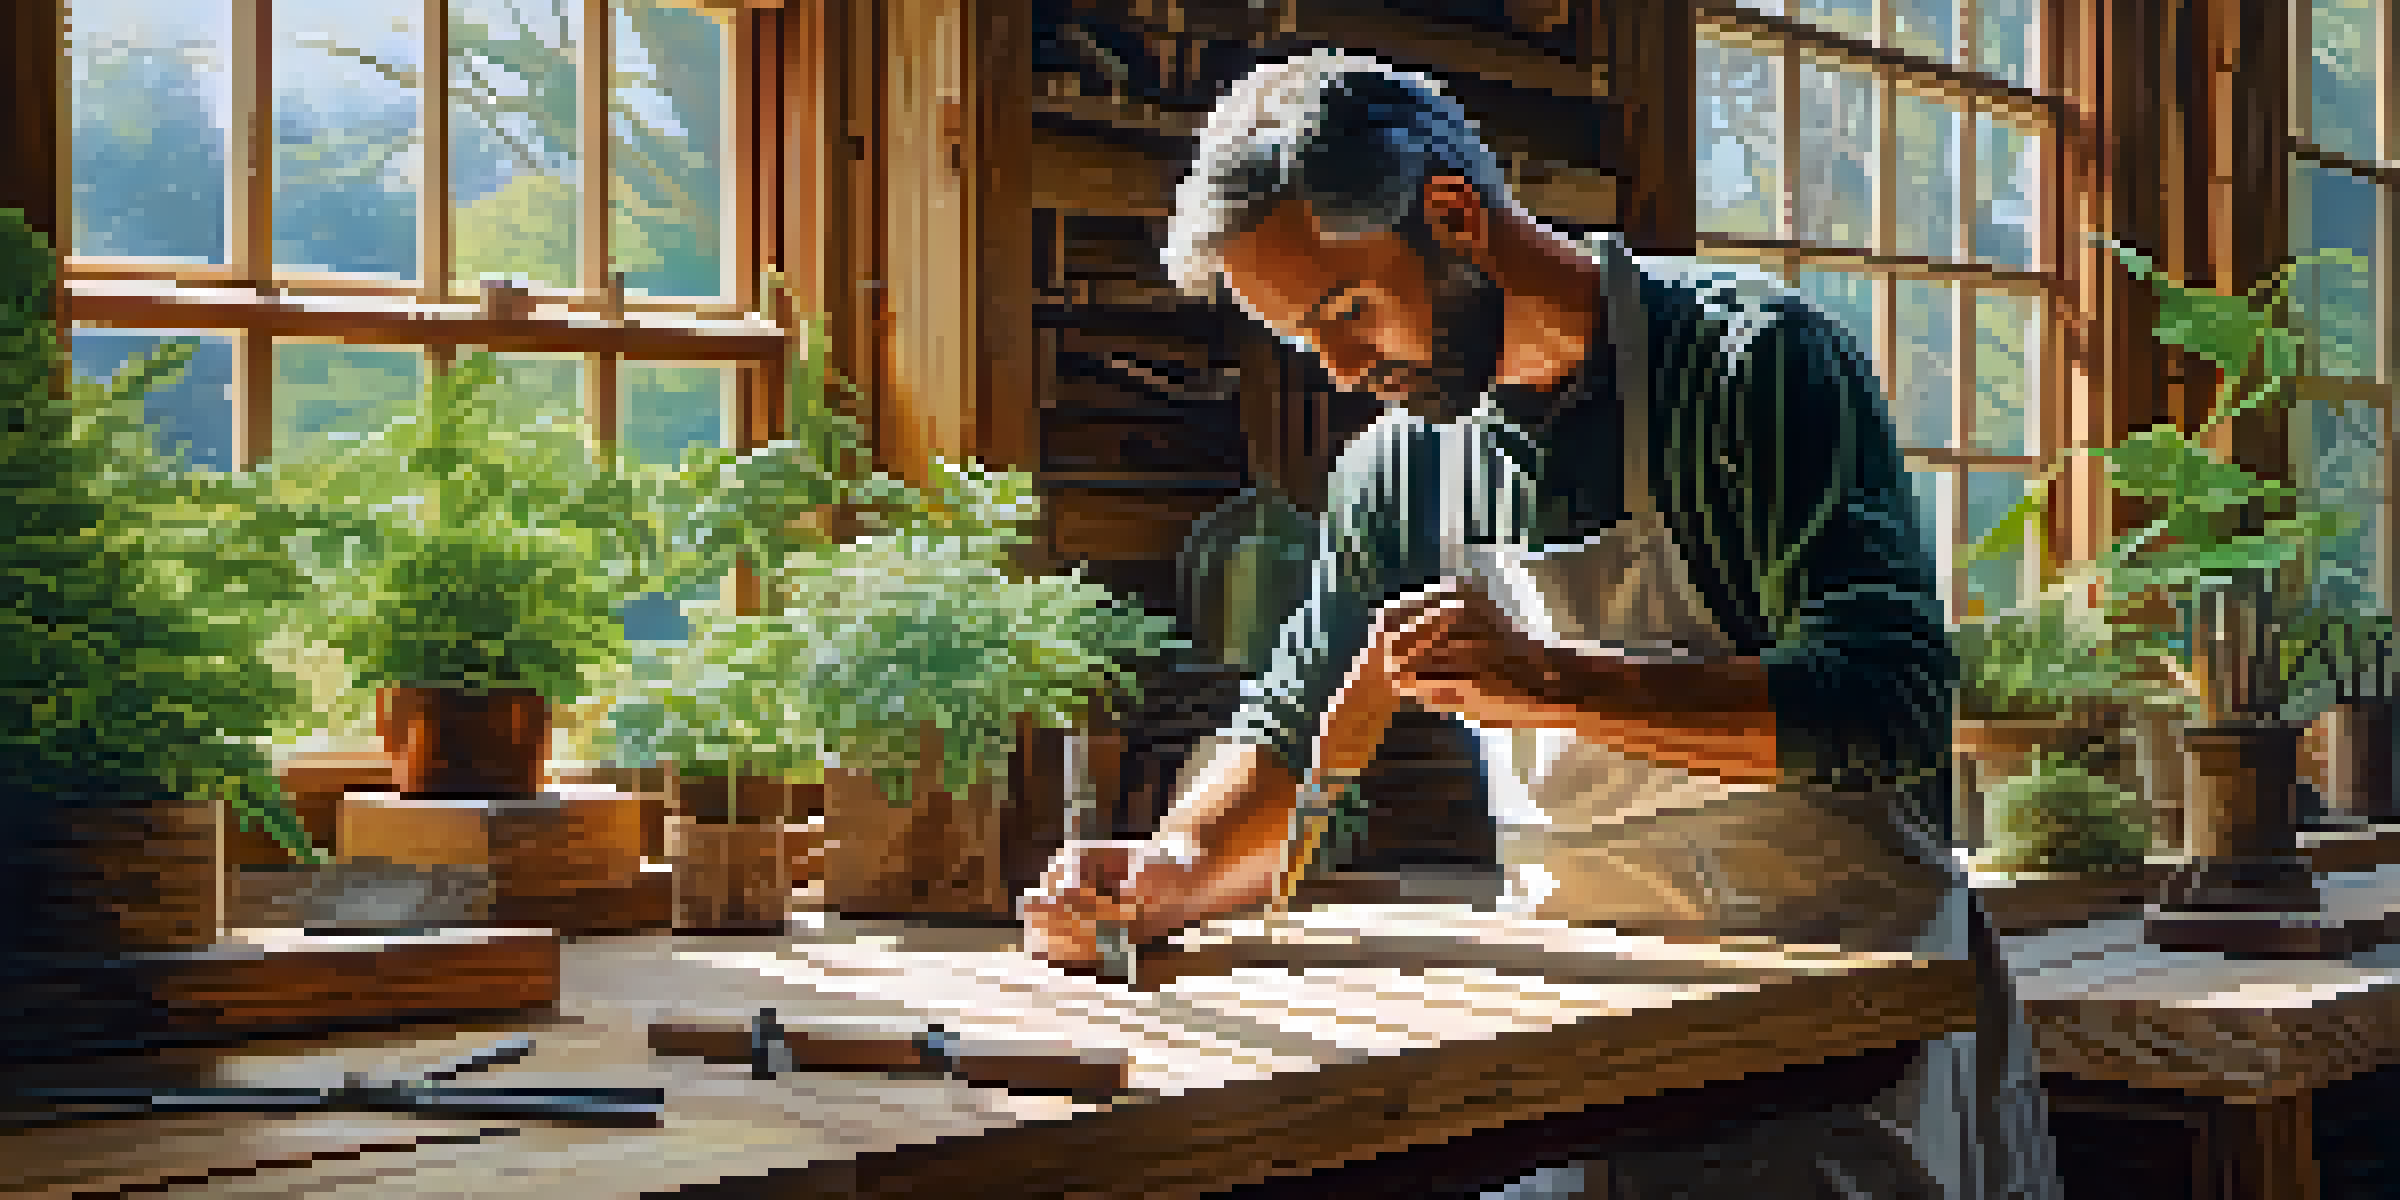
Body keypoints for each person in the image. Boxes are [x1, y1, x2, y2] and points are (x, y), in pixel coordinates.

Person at [1021, 50, 2063, 1199]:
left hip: (1850, 1019)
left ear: (1454, 215)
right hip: (1587, 1024)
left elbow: (1890, 702)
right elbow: (1290, 731)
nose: (1345, 370)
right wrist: (1170, 870)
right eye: (1308, 342)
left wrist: (1554, 686)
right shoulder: (1399, 471)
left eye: (1350, 311)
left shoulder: (1751, 366)